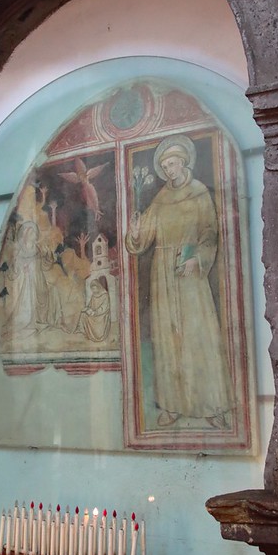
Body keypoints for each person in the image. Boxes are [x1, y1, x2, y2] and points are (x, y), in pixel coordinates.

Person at [125, 135, 233, 428]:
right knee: (167, 339)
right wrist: (136, 231)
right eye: (165, 166)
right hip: (162, 273)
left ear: (183, 162)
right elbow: (142, 239)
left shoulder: (200, 193)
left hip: (190, 274)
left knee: (198, 337)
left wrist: (197, 259)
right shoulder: (161, 198)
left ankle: (212, 406)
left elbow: (210, 234)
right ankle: (172, 406)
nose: (169, 170)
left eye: (172, 164)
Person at [75, 277, 111, 342]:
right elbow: (90, 305)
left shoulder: (105, 295)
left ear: (98, 287)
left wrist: (95, 312)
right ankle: (84, 332)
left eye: (94, 288)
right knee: (83, 314)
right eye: (92, 289)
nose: (93, 290)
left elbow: (104, 308)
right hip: (94, 314)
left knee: (88, 317)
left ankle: (97, 335)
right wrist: (86, 309)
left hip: (101, 317)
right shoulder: (94, 295)